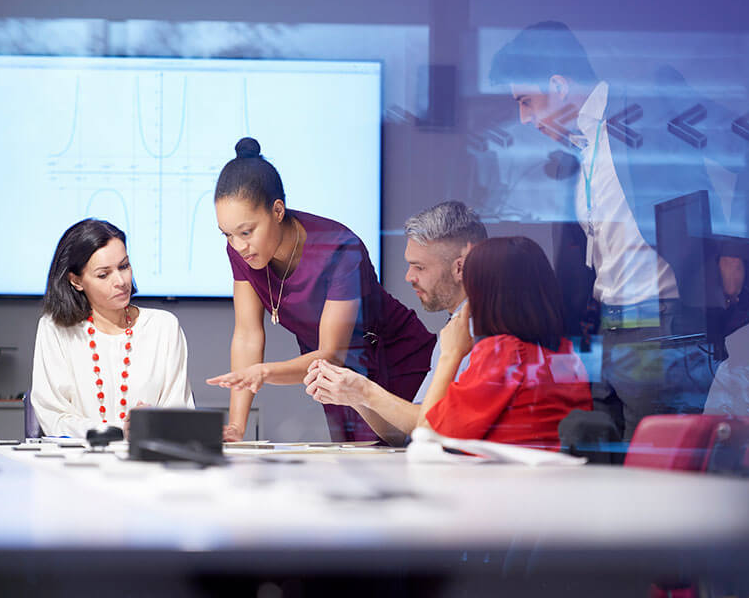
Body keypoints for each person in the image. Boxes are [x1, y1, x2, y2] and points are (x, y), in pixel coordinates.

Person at [490, 21, 749, 441]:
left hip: (663, 330)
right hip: (603, 336)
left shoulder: (652, 105)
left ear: (557, 85)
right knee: (599, 477)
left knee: (649, 480)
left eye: (526, 101)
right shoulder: (575, 153)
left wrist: (734, 251)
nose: (524, 119)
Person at [205, 137, 435, 443]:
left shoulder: (338, 248)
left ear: (277, 210)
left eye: (246, 232)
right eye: (227, 234)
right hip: (332, 375)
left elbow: (331, 353)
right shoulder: (241, 250)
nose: (238, 245)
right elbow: (247, 335)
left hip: (392, 358)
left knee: (412, 458)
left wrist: (263, 372)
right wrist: (236, 425)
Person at [303, 200, 487, 445]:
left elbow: (429, 428)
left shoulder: (483, 333)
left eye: (419, 267)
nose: (409, 277)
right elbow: (408, 433)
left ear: (460, 267)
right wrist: (354, 395)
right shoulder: (453, 332)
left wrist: (365, 391)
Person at [416, 237, 592, 447]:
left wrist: (450, 355)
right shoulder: (565, 354)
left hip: (503, 477)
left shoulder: (504, 354)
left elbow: (426, 435)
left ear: (484, 297)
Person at [31, 219, 193, 438]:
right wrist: (118, 432)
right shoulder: (55, 329)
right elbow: (54, 419)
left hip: (149, 464)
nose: (121, 281)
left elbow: (180, 413)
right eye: (103, 274)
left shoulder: (163, 327)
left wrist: (155, 423)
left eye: (124, 266)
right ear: (76, 281)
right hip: (77, 465)